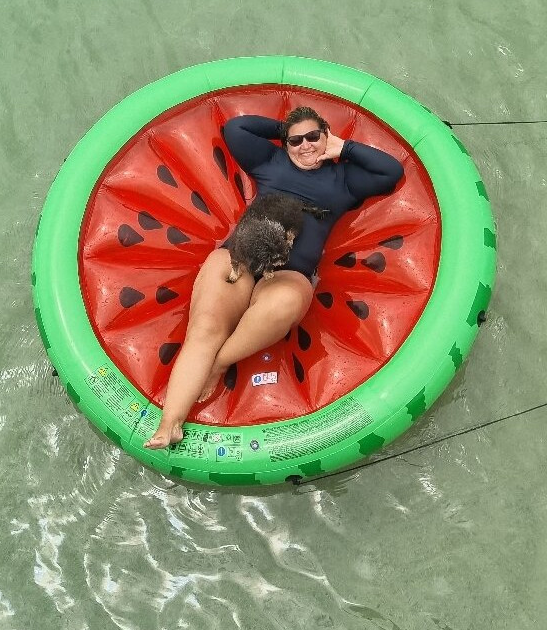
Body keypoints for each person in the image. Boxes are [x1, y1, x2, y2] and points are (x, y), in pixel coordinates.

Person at [144, 106, 404, 449]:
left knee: (282, 304)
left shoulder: (344, 179)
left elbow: (392, 171)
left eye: (313, 136)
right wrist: (284, 130)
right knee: (205, 327)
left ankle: (218, 364)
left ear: (326, 135)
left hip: (289, 273)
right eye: (296, 141)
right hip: (241, 255)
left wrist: (344, 149)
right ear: (286, 143)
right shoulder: (271, 160)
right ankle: (170, 423)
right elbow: (237, 128)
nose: (306, 145)